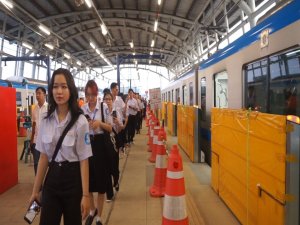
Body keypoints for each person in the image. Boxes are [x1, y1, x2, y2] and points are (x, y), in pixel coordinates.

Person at [29, 68, 92, 225]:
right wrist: (35, 191)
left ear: (70, 89)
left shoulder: (80, 121)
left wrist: (86, 195)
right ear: (51, 90)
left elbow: (84, 159)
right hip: (52, 180)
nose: (59, 91)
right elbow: (43, 157)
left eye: (64, 86)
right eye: (55, 86)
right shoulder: (45, 120)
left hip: (73, 181)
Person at [82, 80, 112, 225]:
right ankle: (92, 210)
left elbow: (110, 128)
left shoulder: (103, 107)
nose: (91, 98)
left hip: (101, 146)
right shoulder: (82, 109)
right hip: (87, 145)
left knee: (101, 183)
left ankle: (99, 216)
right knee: (89, 182)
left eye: (93, 94)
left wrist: (99, 124)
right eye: (88, 95)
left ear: (97, 94)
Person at [103, 91, 124, 201]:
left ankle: (115, 180)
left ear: (112, 100)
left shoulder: (116, 112)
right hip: (104, 141)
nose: (107, 101)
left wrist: (117, 123)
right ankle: (109, 193)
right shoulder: (102, 113)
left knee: (114, 166)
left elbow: (120, 128)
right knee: (106, 167)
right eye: (105, 99)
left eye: (109, 99)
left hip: (114, 140)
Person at [30, 86, 48, 175]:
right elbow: (34, 124)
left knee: (48, 164)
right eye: (36, 93)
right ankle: (39, 184)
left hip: (47, 141)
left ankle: (47, 183)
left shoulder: (49, 108)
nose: (37, 95)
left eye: (39, 93)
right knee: (36, 163)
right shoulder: (34, 109)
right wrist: (31, 139)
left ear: (44, 95)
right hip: (36, 141)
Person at [110, 82, 127, 153]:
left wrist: (127, 103)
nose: (117, 91)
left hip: (119, 125)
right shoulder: (108, 100)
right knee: (113, 145)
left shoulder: (119, 99)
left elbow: (124, 110)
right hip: (111, 126)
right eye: (116, 90)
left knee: (118, 143)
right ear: (111, 89)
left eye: (117, 90)